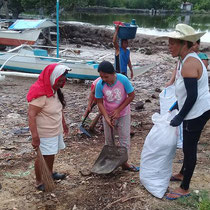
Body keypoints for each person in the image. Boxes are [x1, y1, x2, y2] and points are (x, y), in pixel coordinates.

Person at [161, 24, 210, 200]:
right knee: (188, 144)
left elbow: (193, 96)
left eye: (172, 43)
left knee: (190, 148)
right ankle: (182, 173)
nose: (169, 47)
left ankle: (185, 187)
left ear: (184, 43)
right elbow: (187, 92)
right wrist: (176, 104)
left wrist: (181, 116)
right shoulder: (184, 59)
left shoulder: (189, 63)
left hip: (197, 112)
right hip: (193, 108)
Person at [27, 63, 70, 191]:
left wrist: (63, 123)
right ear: (52, 78)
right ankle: (39, 181)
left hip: (55, 130)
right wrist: (35, 137)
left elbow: (58, 109)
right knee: (42, 157)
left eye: (63, 81)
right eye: (59, 81)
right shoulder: (40, 93)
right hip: (44, 132)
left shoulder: (54, 90)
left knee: (51, 153)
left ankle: (50, 173)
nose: (61, 83)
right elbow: (31, 115)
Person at [95, 60, 138, 172]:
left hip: (123, 113)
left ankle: (124, 163)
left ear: (113, 73)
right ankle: (110, 163)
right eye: (101, 76)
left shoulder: (123, 79)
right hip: (108, 114)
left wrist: (119, 110)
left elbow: (131, 95)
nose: (104, 79)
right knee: (109, 140)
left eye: (106, 76)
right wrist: (106, 117)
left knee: (124, 139)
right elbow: (99, 102)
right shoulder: (100, 84)